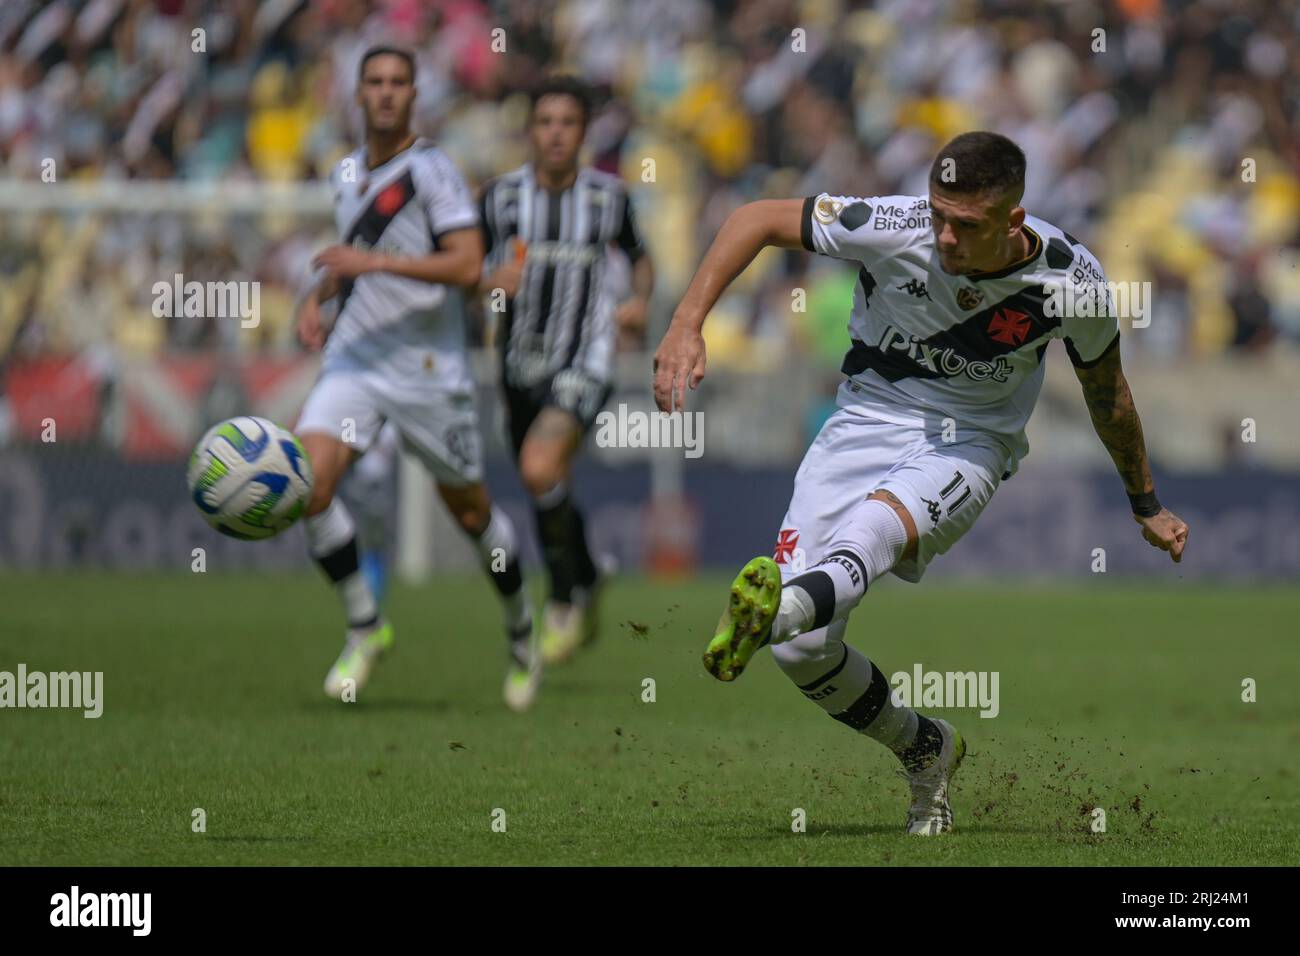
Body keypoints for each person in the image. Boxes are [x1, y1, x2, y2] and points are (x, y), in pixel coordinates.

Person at [652, 131, 1190, 835]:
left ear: (1014, 221)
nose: (944, 235)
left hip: (970, 442)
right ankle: (924, 746)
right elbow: (756, 218)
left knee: (873, 530)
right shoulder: (892, 226)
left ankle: (776, 610)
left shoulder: (1072, 285)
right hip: (862, 422)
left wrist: (1144, 502)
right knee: (803, 653)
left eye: (966, 226)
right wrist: (687, 323)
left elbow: (1108, 393)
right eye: (939, 214)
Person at [294, 46, 539, 711]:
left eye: (398, 82)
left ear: (414, 94)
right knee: (306, 485)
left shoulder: (433, 172)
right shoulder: (346, 171)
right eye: (374, 81)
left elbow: (464, 268)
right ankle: (365, 625)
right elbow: (353, 256)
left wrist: (368, 266)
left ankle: (521, 626)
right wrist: (318, 295)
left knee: (471, 513)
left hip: (429, 372)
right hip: (355, 360)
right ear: (357, 92)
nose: (385, 93)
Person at [477, 76, 654, 664]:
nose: (556, 134)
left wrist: (638, 303)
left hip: (586, 355)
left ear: (583, 133)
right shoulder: (500, 199)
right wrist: (482, 280)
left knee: (539, 464)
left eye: (568, 124)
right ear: (531, 131)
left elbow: (640, 258)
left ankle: (559, 604)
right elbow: (461, 262)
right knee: (544, 482)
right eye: (546, 122)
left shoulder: (608, 198)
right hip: (516, 360)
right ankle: (588, 574)